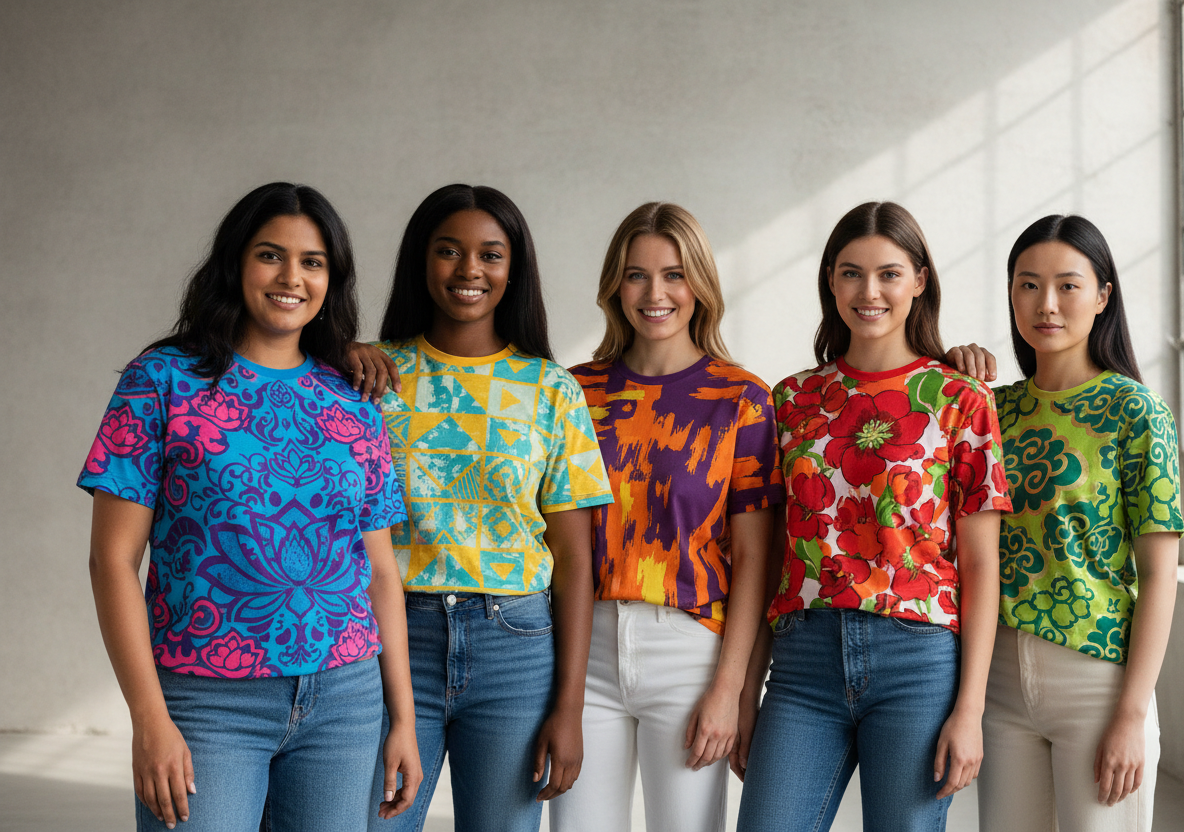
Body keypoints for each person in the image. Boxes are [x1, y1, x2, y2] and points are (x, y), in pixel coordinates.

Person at [79, 182, 420, 831]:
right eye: (271, 255)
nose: (291, 277)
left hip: (345, 701)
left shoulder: (351, 400)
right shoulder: (160, 381)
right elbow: (112, 562)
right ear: (235, 262)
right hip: (208, 701)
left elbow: (379, 571)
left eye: (312, 262)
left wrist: (401, 719)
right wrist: (149, 719)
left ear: (331, 279)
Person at [734, 201, 1012, 832]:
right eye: (851, 273)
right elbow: (774, 558)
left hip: (917, 664)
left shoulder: (959, 400)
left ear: (919, 280)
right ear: (831, 281)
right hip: (803, 663)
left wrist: (969, 710)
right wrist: (747, 692)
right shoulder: (794, 400)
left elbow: (980, 564)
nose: (870, 291)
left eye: (889, 273)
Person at [346, 184, 613, 832]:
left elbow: (575, 559)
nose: (470, 270)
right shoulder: (373, 377)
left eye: (490, 254)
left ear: (513, 268)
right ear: (421, 261)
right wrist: (336, 350)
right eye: (448, 251)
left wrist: (569, 708)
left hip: (515, 646)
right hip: (392, 637)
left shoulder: (551, 389)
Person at [546, 203, 782, 832]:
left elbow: (758, 558)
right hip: (582, 648)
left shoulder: (743, 401)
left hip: (690, 652)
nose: (655, 294)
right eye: (636, 275)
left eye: (674, 274)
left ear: (700, 285)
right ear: (613, 287)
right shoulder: (573, 393)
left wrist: (730, 691)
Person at [945, 215, 1183, 832]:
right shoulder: (991, 410)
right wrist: (947, 372)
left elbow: (1160, 575)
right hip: (995, 683)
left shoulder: (1136, 412)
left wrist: (1131, 714)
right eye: (1027, 285)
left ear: (1103, 296)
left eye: (1068, 285)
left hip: (1096, 684)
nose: (1045, 304)